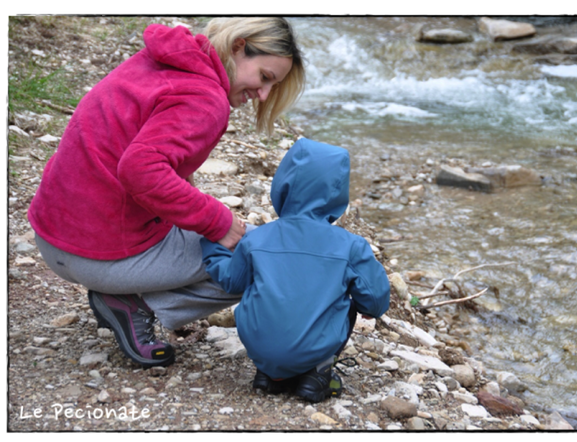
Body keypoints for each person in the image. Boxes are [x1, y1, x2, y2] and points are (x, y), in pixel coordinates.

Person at [27, 17, 305, 368]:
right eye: (264, 77)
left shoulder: (164, 58)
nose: (262, 95)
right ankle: (134, 305)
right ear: (239, 46)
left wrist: (200, 216)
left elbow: (144, 157)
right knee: (265, 257)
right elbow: (140, 169)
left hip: (52, 237)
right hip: (95, 254)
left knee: (216, 230)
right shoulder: (206, 98)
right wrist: (216, 221)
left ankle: (124, 293)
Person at [201, 138, 390, 403]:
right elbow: (377, 300)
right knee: (348, 304)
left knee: (261, 295)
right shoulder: (350, 246)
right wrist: (369, 309)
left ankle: (270, 374)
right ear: (337, 193)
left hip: (259, 349)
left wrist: (213, 245)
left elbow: (232, 281)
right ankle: (317, 373)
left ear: (283, 184)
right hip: (311, 349)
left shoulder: (257, 239)